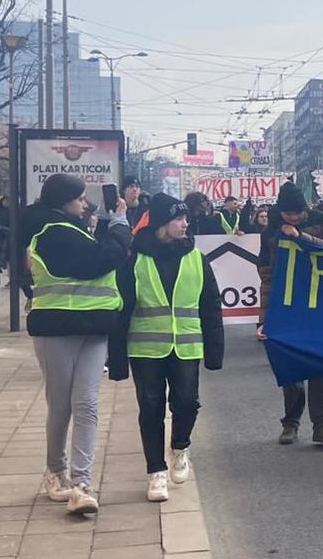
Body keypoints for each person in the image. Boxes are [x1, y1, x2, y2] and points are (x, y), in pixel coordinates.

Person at [109, 194, 225, 501]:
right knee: (151, 408)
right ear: (162, 223)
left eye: (185, 218)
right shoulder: (135, 259)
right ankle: (155, 472)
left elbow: (211, 305)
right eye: (178, 218)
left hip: (187, 345)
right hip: (145, 348)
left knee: (188, 402)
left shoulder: (196, 258)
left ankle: (180, 446)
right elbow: (121, 309)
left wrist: (215, 351)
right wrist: (116, 358)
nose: (185, 223)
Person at [28, 173, 132, 514]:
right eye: (79, 198)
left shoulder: (72, 231)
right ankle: (56, 471)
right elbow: (97, 262)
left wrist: (106, 225)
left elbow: (95, 254)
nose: (85, 203)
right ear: (63, 201)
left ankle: (82, 482)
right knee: (61, 405)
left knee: (86, 403)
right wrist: (118, 225)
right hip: (58, 328)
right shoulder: (53, 233)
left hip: (93, 326)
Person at [261, 183, 323, 443]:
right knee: (291, 363)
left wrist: (301, 236)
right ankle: (291, 422)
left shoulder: (320, 219)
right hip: (286, 305)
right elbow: (266, 273)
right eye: (288, 214)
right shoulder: (270, 230)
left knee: (319, 362)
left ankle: (322, 423)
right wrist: (264, 318)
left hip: (319, 303)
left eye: (297, 213)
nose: (294, 217)